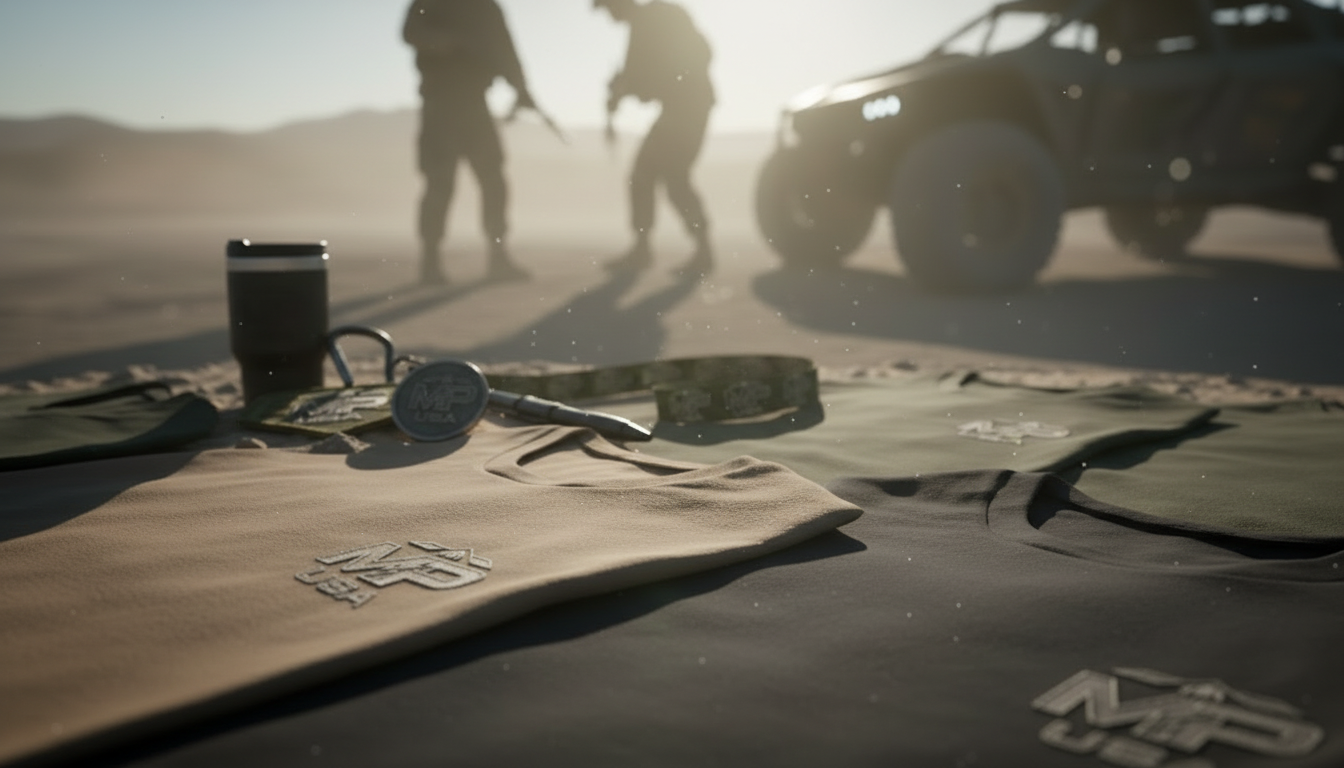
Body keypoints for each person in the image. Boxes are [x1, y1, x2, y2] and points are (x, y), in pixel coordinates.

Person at [404, 0, 534, 285]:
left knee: (494, 181)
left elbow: (506, 50)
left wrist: (521, 87)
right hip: (440, 103)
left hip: (475, 104)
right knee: (440, 182)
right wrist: (449, 43)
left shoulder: (488, 8)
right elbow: (411, 32)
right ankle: (431, 261)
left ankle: (498, 256)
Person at [594, 0, 715, 275]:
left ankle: (691, 250)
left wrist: (627, 88)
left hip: (686, 109)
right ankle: (655, 249)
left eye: (606, 7)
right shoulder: (647, 24)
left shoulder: (658, 18)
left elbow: (696, 57)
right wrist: (625, 87)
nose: (608, 15)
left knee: (664, 177)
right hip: (681, 108)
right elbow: (642, 80)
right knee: (655, 176)